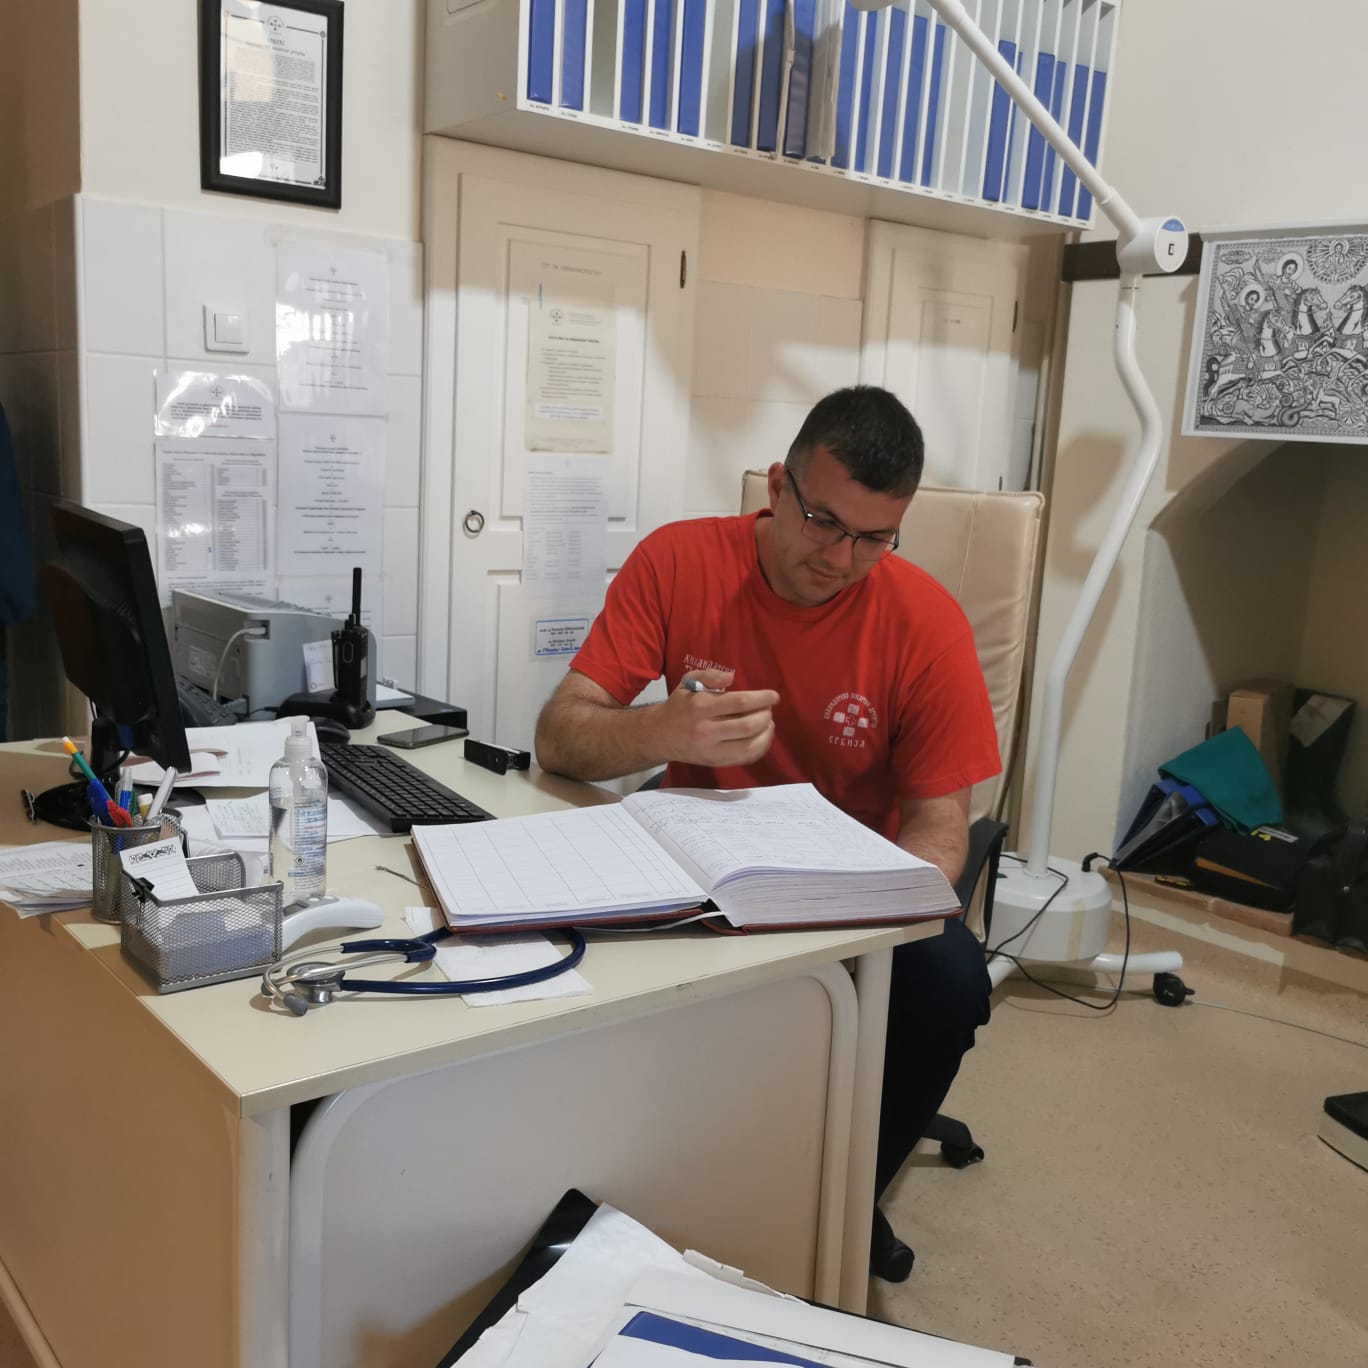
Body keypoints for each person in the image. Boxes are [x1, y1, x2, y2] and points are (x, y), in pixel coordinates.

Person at [535, 385, 1000, 1282]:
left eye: (874, 538)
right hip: (694, 868)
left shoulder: (926, 622)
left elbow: (941, 833)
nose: (841, 558)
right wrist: (663, 731)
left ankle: (841, 1196)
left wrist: (857, 915)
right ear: (779, 487)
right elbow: (560, 736)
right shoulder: (678, 560)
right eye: (824, 522)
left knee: (949, 982)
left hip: (848, 892)